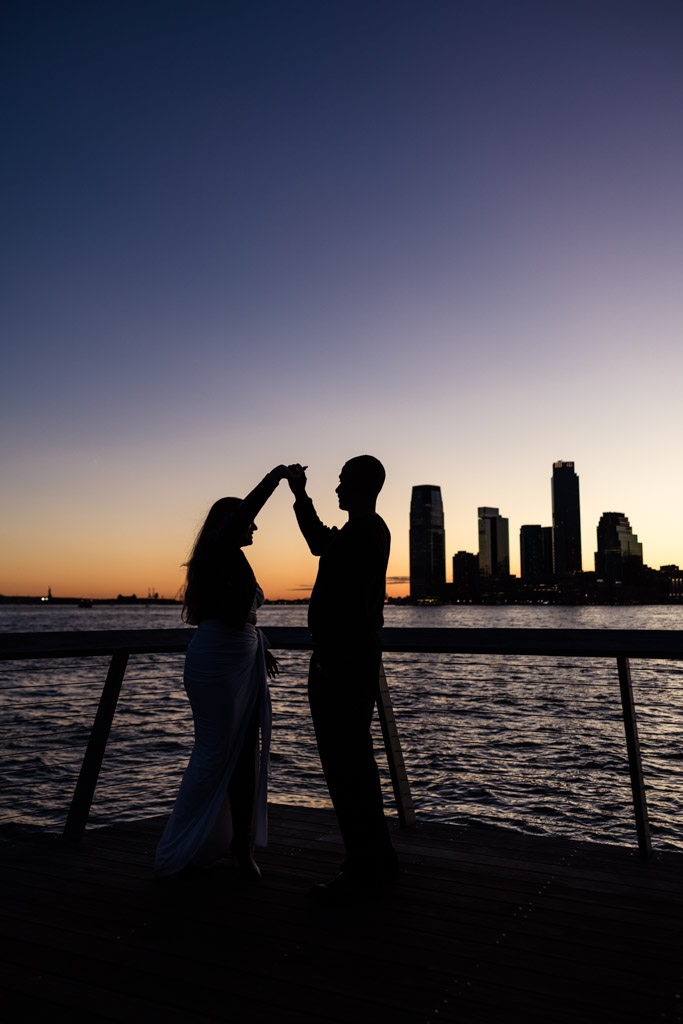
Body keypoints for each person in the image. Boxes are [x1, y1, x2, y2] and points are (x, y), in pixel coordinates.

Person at [154, 465, 291, 882]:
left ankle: (240, 848)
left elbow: (245, 617)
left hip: (243, 663)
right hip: (215, 663)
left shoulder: (234, 559)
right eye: (249, 520)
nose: (255, 526)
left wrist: (259, 650)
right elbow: (231, 617)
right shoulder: (217, 551)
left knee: (244, 756)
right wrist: (276, 477)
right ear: (231, 524)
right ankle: (183, 845)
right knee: (214, 753)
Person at [286, 456, 399, 903]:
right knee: (356, 764)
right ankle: (377, 860)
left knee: (345, 766)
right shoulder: (372, 531)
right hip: (354, 658)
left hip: (341, 662)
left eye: (341, 483)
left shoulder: (361, 533)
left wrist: (298, 495)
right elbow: (321, 543)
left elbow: (320, 545)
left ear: (360, 487)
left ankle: (362, 868)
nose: (336, 490)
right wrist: (301, 496)